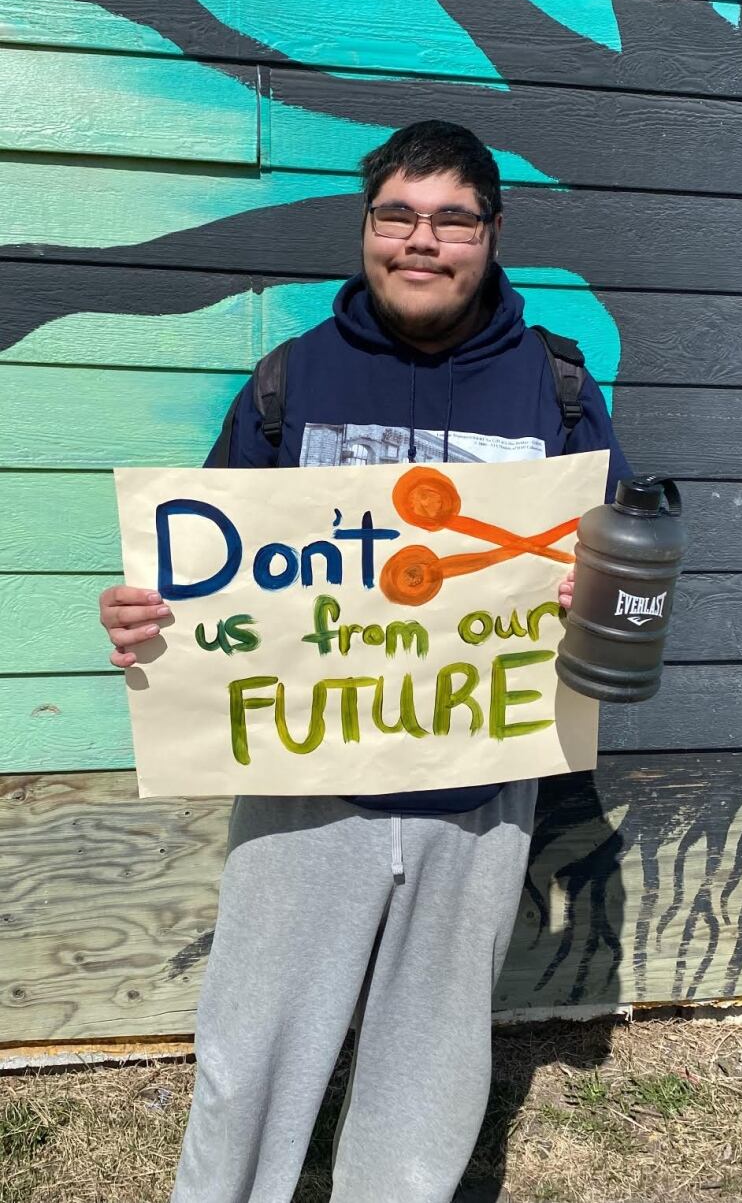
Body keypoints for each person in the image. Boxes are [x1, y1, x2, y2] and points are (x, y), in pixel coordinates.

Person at [99, 120, 631, 1203]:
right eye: (397, 215)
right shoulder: (290, 382)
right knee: (248, 1062)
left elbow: (623, 574)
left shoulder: (560, 392)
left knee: (426, 1079)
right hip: (306, 789)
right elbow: (199, 574)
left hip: (478, 796)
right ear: (367, 228)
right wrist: (145, 619)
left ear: (491, 234)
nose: (421, 240)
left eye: (451, 219)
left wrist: (600, 597)